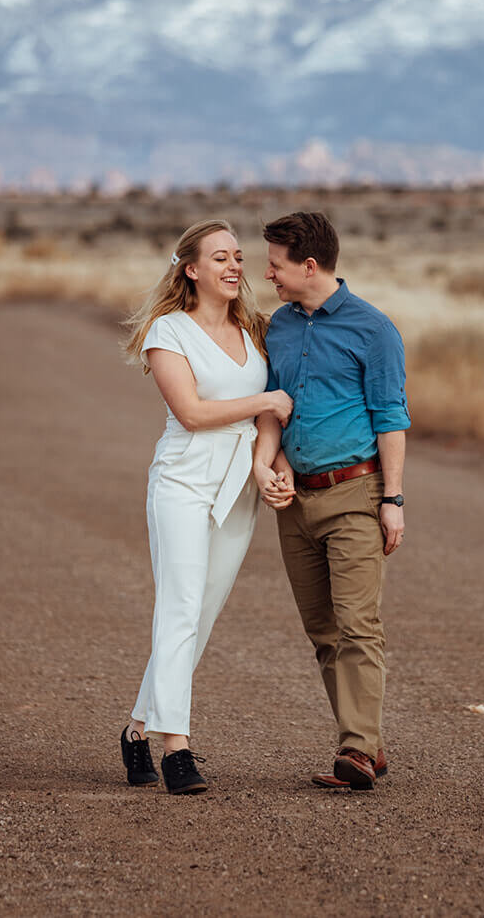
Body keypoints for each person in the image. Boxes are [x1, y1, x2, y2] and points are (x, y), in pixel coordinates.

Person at [119, 220, 293, 795]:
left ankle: (136, 729)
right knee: (180, 606)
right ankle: (178, 750)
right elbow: (192, 413)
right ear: (191, 269)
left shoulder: (255, 329)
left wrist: (268, 466)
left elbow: (271, 420)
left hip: (238, 488)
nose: (235, 266)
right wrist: (265, 398)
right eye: (220, 257)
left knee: (202, 617)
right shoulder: (168, 331)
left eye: (239, 256)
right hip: (183, 482)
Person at [251, 211, 409, 791]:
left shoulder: (374, 330)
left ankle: (357, 751)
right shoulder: (280, 329)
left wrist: (392, 499)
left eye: (275, 264)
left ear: (308, 265)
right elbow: (277, 406)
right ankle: (365, 739)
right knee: (322, 630)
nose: (267, 274)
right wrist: (277, 467)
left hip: (355, 494)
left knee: (358, 624)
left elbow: (391, 418)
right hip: (295, 504)